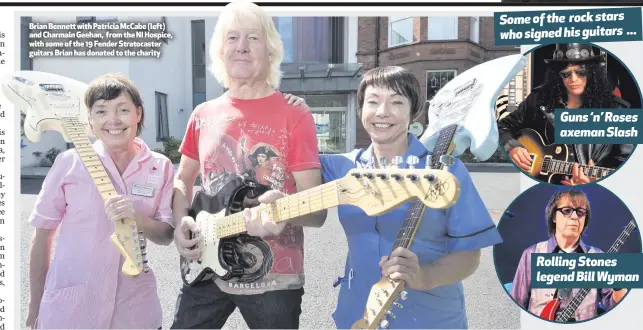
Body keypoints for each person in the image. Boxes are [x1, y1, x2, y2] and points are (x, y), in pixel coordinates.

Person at [171, 1, 326, 329]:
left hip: (273, 277)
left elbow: (317, 210)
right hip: (205, 267)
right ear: (219, 51)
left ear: (270, 52)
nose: (241, 46)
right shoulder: (202, 114)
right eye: (232, 38)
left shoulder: (294, 114)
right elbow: (183, 180)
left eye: (253, 38)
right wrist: (180, 223)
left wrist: (282, 209)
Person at [319, 66, 503, 329]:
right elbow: (292, 164)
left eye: (396, 102)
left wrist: (424, 276)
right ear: (361, 109)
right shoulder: (343, 166)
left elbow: (469, 255)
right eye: (373, 101)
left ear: (413, 111)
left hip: (428, 318)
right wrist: (294, 109)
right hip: (357, 313)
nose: (382, 112)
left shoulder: (442, 169)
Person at [26, 73, 175, 329]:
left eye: (123, 109)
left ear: (138, 114)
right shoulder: (69, 163)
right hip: (70, 311)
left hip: (135, 311)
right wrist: (35, 304)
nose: (113, 120)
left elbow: (165, 235)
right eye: (102, 111)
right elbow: (42, 237)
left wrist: (137, 219)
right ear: (90, 120)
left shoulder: (159, 166)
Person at [497, 43, 633, 186]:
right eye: (566, 74)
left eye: (580, 72)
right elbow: (503, 127)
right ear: (558, 76)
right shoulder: (538, 100)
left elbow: (627, 164)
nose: (573, 79)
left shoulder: (618, 110)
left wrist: (599, 182)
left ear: (592, 72)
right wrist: (513, 147)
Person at [510, 188, 628, 321]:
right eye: (567, 211)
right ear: (554, 216)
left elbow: (615, 305)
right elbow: (516, 305)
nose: (574, 216)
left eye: (580, 212)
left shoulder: (597, 256)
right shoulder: (531, 254)